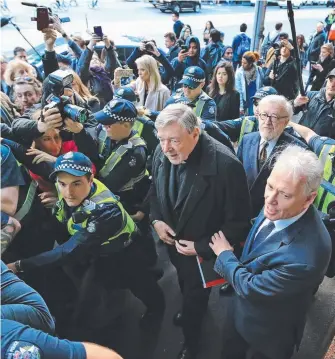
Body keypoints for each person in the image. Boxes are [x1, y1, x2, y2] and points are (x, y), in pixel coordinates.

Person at [6, 152, 165, 330]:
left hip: (125, 253)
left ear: (90, 180)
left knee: (141, 286)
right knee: (105, 285)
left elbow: (68, 251)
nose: (68, 192)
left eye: (76, 184)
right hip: (98, 252)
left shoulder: (104, 212)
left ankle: (156, 310)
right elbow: (33, 159)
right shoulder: (70, 178)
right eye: (62, 184)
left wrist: (19, 265)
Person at [211, 145, 332, 359]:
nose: (269, 200)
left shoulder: (307, 257)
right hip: (240, 313)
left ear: (309, 199)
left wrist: (225, 256)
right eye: (270, 186)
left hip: (268, 333)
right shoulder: (281, 205)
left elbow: (251, 287)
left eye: (284, 194)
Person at [150, 104, 251, 359]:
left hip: (201, 256)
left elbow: (239, 224)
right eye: (161, 139)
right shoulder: (162, 151)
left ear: (195, 133)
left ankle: (192, 343)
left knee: (196, 300)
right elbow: (154, 192)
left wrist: (201, 247)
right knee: (186, 290)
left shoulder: (227, 166)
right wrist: (156, 220)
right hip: (175, 250)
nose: (166, 148)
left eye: (174, 140)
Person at [237, 95, 307, 217]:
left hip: (271, 216)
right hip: (242, 212)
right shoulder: (247, 140)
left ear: (286, 122)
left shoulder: (297, 150)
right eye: (264, 115)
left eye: (274, 117)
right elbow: (236, 177)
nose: (267, 122)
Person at [76, 32, 116, 108]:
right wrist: (91, 44)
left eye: (96, 59)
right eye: (91, 59)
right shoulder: (86, 76)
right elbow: (83, 65)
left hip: (109, 109)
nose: (94, 60)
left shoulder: (105, 73)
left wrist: (107, 43)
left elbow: (112, 62)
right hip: (94, 110)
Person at [294, 68, 335, 138]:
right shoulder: (310, 95)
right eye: (330, 81)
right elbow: (289, 111)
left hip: (319, 147)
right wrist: (294, 104)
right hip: (298, 139)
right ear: (326, 81)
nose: (332, 85)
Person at [235, 51, 263, 116]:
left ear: (251, 63)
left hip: (256, 101)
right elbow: (239, 91)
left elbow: (261, 85)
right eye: (242, 62)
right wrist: (241, 106)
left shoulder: (258, 70)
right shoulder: (239, 73)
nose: (242, 64)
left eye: (245, 63)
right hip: (245, 102)